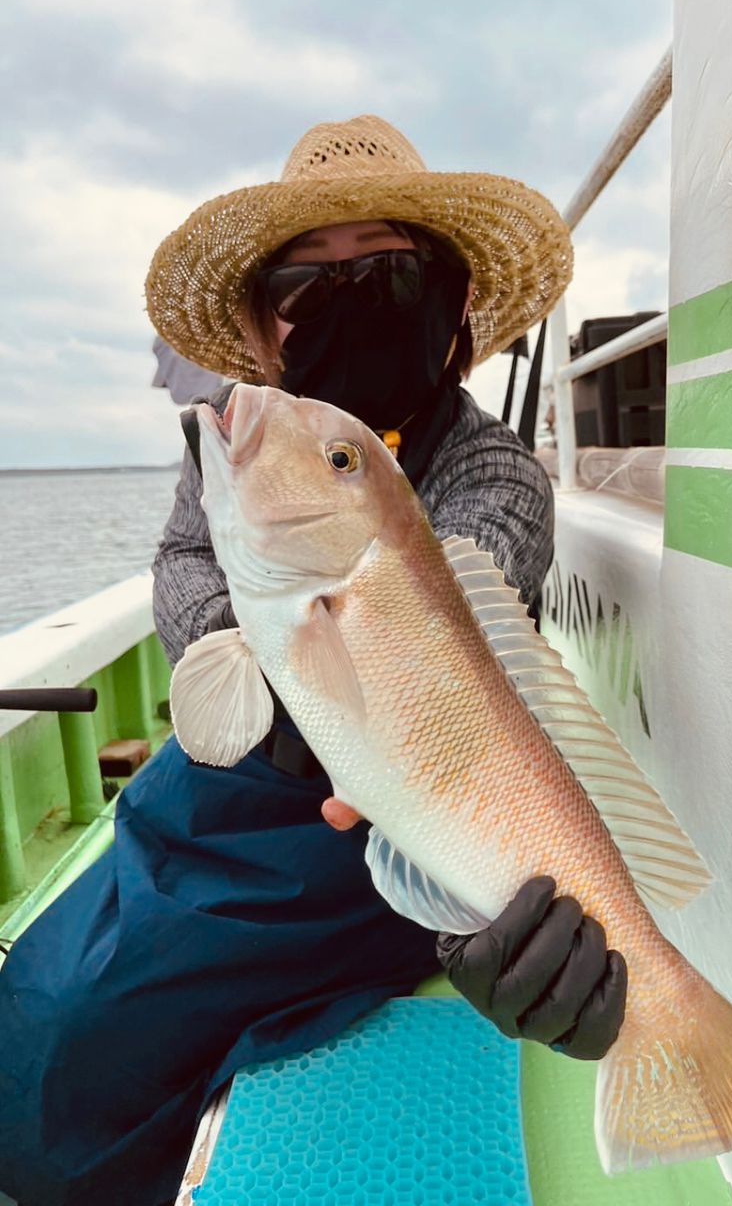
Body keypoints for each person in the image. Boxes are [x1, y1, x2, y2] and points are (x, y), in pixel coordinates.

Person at [0, 116, 627, 1206]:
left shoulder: (494, 471)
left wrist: (480, 912)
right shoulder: (238, 444)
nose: (349, 298)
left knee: (74, 1052)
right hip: (217, 781)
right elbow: (185, 555)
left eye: (388, 270)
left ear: (452, 300)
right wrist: (239, 651)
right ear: (264, 322)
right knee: (44, 987)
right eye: (306, 279)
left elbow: (449, 641)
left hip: (370, 825)